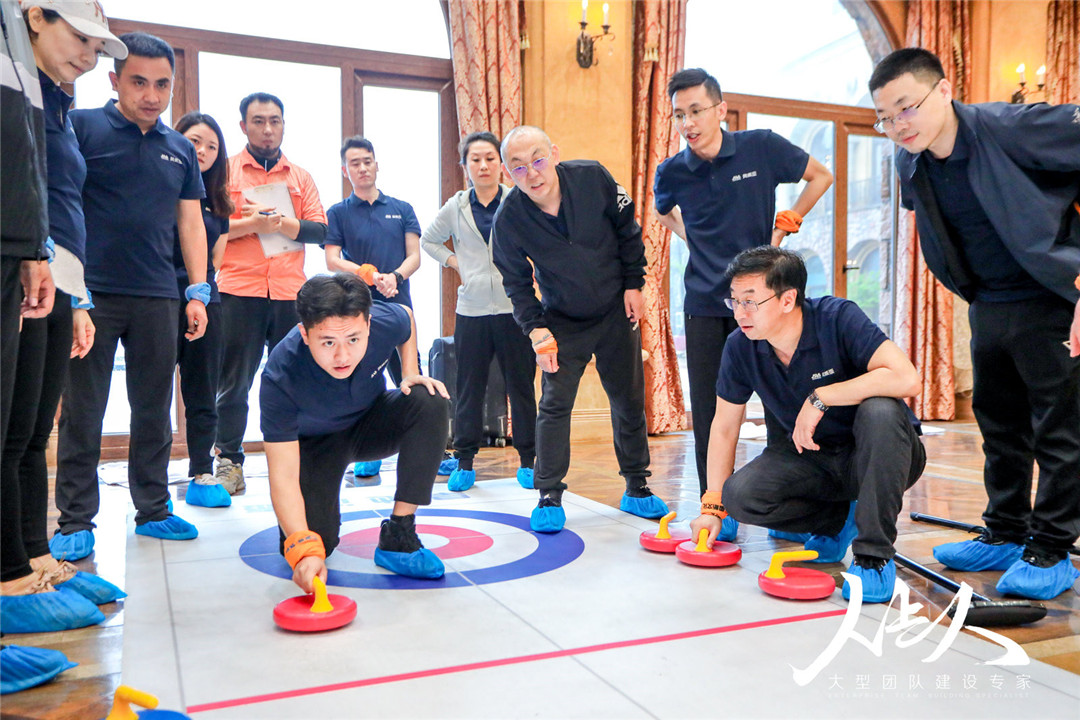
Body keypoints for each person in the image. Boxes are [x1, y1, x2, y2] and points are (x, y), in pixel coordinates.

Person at [868, 48, 1080, 601]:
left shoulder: (1015, 127)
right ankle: (1006, 532)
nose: (898, 125)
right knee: (1000, 425)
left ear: (943, 90)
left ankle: (1051, 548)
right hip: (988, 301)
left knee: (1060, 430)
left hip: (1053, 296)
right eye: (885, 118)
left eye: (906, 108)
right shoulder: (910, 161)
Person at [690, 246, 926, 603]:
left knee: (880, 410)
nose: (739, 312)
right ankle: (837, 520)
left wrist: (822, 396)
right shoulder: (740, 346)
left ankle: (873, 556)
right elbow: (723, 427)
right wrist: (712, 508)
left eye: (750, 301)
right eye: (734, 301)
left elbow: (907, 378)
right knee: (740, 497)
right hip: (812, 459)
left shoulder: (837, 318)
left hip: (881, 454)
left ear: (788, 299)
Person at [51, 31, 209, 559]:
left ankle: (154, 509)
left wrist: (197, 290)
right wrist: (69, 288)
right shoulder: (81, 127)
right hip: (90, 295)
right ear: (115, 80)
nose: (151, 95)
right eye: (139, 82)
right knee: (83, 411)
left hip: (158, 295)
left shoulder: (180, 149)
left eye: (162, 85)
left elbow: (190, 223)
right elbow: (61, 201)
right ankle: (75, 519)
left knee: (154, 409)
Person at [654, 68, 833, 504]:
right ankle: (714, 502)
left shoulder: (761, 147)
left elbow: (821, 176)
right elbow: (662, 212)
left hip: (765, 302)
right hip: (704, 303)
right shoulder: (672, 171)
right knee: (710, 412)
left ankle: (788, 502)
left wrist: (785, 226)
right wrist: (691, 237)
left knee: (780, 405)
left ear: (720, 110)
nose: (688, 123)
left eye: (696, 111)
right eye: (679, 115)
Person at [492, 125, 667, 533]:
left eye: (538, 160)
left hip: (616, 308)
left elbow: (628, 231)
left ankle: (637, 485)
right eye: (518, 167)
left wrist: (634, 284)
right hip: (562, 319)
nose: (532, 173)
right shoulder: (509, 218)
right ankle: (549, 493)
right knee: (555, 404)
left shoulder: (593, 177)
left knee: (628, 397)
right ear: (507, 173)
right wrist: (536, 330)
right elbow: (516, 283)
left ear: (554, 153)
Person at [259, 273, 450, 592]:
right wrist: (304, 549)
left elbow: (406, 316)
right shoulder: (280, 376)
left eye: (353, 339)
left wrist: (410, 372)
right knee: (316, 545)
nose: (342, 356)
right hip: (317, 444)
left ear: (368, 325)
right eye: (328, 342)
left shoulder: (381, 323)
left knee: (428, 398)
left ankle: (399, 534)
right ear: (305, 334)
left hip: (369, 422)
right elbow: (283, 476)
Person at [1, 0, 84, 693]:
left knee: (27, 434)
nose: (88, 52)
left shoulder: (48, 98)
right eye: (79, 35)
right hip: (19, 255)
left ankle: (29, 559)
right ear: (37, 16)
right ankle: (13, 575)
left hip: (36, 263)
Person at [213, 92, 327, 496]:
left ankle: (298, 460)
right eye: (258, 121)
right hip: (238, 290)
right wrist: (251, 225)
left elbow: (320, 230)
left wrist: (282, 224)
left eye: (274, 121)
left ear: (283, 125)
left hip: (288, 293)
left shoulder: (300, 178)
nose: (267, 129)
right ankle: (229, 462)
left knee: (293, 380)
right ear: (243, 126)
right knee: (234, 384)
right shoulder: (224, 172)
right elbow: (208, 227)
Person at [421, 131, 537, 493]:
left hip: (515, 309)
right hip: (471, 311)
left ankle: (529, 460)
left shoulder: (518, 200)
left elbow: (541, 240)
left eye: (490, 158)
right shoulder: (455, 207)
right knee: (469, 388)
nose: (483, 165)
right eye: (475, 159)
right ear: (465, 166)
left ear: (501, 165)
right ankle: (465, 461)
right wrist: (456, 263)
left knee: (521, 387)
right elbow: (428, 240)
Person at [325, 136, 422, 387]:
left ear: (376, 165)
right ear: (345, 171)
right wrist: (368, 274)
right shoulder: (337, 213)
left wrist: (395, 277)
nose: (363, 168)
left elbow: (414, 256)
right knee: (359, 380)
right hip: (356, 307)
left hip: (399, 303)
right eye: (355, 163)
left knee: (411, 379)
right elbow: (332, 260)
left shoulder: (402, 209)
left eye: (367, 162)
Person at [174, 111, 234, 508]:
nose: (202, 151)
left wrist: (202, 295)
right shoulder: (163, 189)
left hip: (207, 302)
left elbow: (215, 260)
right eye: (195, 141)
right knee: (151, 394)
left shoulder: (219, 205)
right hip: (160, 296)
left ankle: (201, 472)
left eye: (212, 146)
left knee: (203, 391)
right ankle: (148, 483)